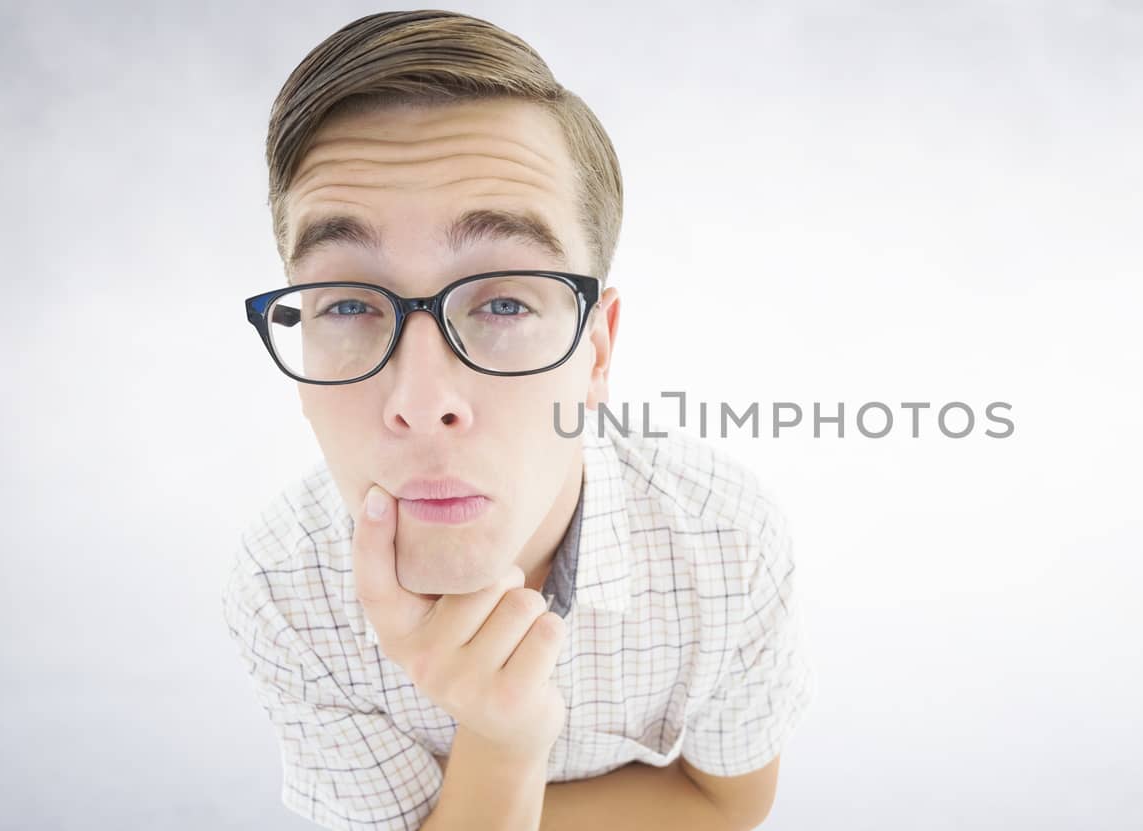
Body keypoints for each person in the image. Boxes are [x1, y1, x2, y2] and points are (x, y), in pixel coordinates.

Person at [221, 10, 817, 830]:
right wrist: (505, 740)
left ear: (596, 353)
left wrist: (469, 790)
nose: (423, 398)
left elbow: (730, 803)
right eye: (350, 303)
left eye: (503, 300)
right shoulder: (284, 588)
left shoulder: (722, 539)